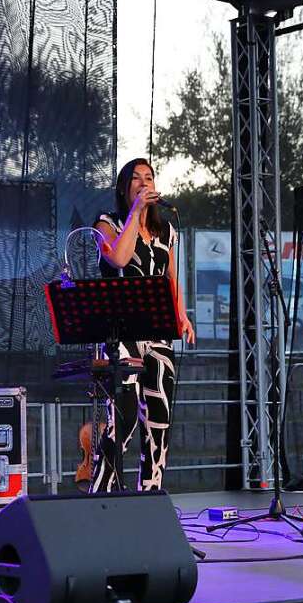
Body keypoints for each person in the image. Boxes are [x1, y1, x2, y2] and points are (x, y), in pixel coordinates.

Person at [91, 158, 195, 492]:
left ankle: (149, 496)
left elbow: (170, 278)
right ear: (124, 188)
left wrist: (182, 315)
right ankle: (102, 495)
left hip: (158, 333)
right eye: (135, 178)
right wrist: (135, 213)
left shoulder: (167, 231)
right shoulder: (107, 223)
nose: (143, 182)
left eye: (148, 177)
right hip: (120, 334)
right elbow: (118, 259)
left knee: (159, 420)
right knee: (122, 420)